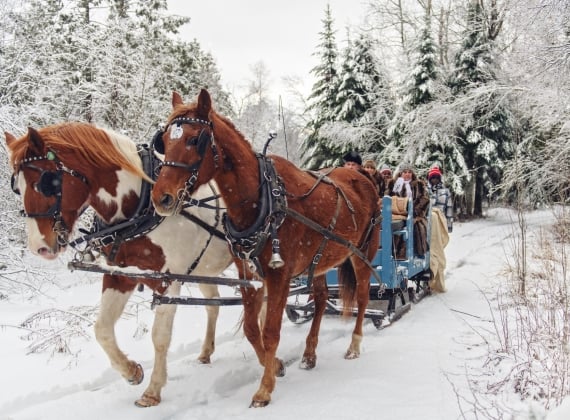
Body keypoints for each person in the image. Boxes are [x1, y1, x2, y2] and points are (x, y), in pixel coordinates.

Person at [390, 162, 430, 257]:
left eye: (409, 172)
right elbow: (389, 198)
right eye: (404, 172)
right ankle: (395, 254)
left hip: (415, 214)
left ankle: (415, 253)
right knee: (393, 226)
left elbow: (424, 199)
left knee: (416, 226)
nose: (407, 174)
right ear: (400, 173)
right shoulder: (393, 184)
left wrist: (414, 212)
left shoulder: (418, 184)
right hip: (397, 214)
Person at [427, 165, 453, 233]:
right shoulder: (425, 190)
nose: (435, 179)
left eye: (437, 177)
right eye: (433, 177)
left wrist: (449, 226)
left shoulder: (446, 191)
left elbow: (449, 209)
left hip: (441, 221)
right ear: (429, 179)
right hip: (428, 222)